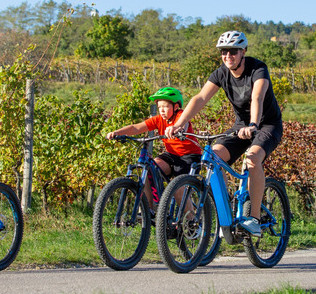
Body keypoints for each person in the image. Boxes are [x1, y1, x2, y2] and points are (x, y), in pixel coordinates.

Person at [165, 31, 283, 237]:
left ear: (243, 51)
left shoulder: (258, 69)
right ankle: (226, 208)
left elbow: (257, 97)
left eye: (233, 52)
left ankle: (254, 219)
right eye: (224, 52)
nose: (228, 56)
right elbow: (200, 98)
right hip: (241, 126)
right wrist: (179, 124)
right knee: (214, 158)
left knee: (253, 158)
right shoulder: (221, 73)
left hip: (267, 125)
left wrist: (254, 123)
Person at [105, 87, 203, 210]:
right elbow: (136, 128)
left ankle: (191, 221)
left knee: (179, 189)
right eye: (159, 107)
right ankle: (149, 210)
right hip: (171, 155)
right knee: (149, 169)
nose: (161, 110)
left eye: (165, 107)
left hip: (189, 156)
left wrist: (178, 129)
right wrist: (117, 132)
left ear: (176, 106)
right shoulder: (159, 120)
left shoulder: (180, 116)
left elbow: (184, 123)